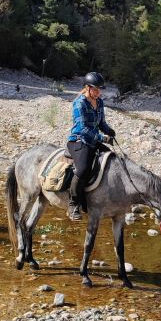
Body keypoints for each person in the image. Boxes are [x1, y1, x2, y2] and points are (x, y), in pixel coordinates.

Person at [66, 71, 115, 220]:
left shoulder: (99, 102)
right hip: (78, 140)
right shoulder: (79, 103)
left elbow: (101, 123)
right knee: (83, 169)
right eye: (95, 89)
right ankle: (73, 204)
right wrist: (102, 137)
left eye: (100, 89)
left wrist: (109, 131)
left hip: (94, 140)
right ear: (87, 88)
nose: (98, 92)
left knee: (112, 160)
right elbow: (82, 128)